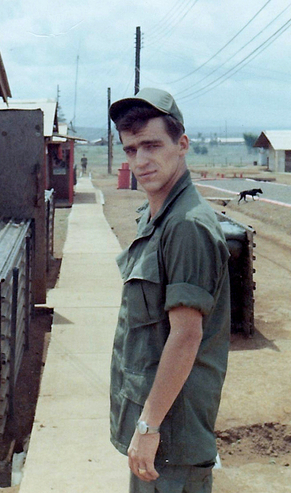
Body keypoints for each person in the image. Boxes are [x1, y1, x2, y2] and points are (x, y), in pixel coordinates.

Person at [109, 88, 230, 493]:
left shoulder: (186, 227)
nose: (140, 161)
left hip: (170, 438)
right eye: (130, 150)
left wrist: (148, 426)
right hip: (160, 433)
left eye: (152, 145)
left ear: (181, 146)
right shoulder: (158, 215)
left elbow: (186, 335)